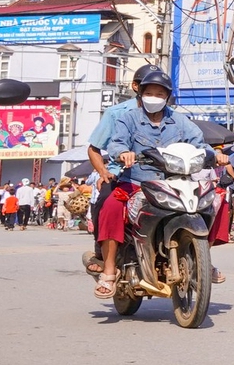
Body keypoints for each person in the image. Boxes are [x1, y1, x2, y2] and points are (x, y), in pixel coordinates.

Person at [86, 65, 222, 297]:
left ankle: (203, 258)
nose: (155, 98)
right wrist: (123, 153)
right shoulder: (126, 119)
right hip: (136, 182)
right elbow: (117, 143)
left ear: (168, 97)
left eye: (160, 94)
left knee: (216, 201)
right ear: (140, 94)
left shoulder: (180, 121)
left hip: (175, 183)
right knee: (110, 207)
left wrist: (214, 154)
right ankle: (109, 271)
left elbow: (199, 144)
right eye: (150, 93)